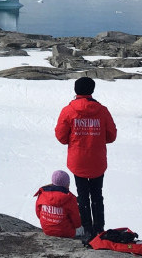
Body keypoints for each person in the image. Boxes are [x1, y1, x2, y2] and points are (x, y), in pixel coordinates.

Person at [54, 76, 116, 239]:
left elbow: (61, 137)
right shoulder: (102, 110)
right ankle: (99, 228)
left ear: (76, 91)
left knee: (82, 195)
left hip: (78, 160)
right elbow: (111, 136)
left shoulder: (68, 110)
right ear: (92, 90)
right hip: (97, 161)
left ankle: (87, 229)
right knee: (97, 195)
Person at [34, 169, 83, 238]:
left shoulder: (43, 194)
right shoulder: (70, 198)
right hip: (66, 233)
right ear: (67, 184)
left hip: (47, 230)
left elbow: (38, 213)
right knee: (84, 225)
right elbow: (77, 223)